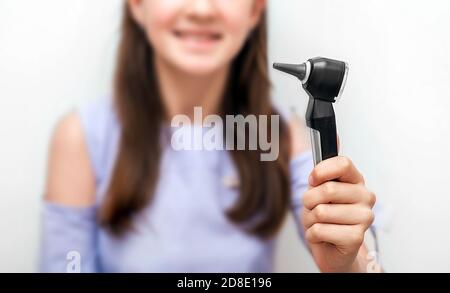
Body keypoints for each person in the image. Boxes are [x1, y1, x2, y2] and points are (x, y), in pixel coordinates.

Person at [41, 0, 377, 273]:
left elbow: (363, 260)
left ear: (255, 10)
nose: (201, 9)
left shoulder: (280, 134)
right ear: (138, 5)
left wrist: (348, 266)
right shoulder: (83, 137)